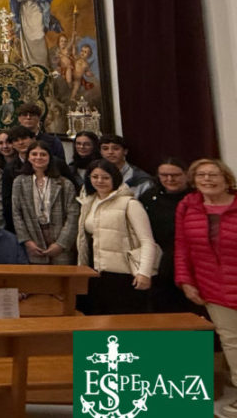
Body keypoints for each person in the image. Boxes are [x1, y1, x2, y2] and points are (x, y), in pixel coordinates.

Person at [174, 159, 237, 413]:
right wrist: (186, 281)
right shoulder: (187, 207)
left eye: (213, 175)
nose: (207, 179)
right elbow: (182, 247)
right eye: (201, 175)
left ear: (226, 179)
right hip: (212, 285)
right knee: (231, 340)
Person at [76, 159, 157, 314]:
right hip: (96, 270)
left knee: (126, 325)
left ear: (115, 178)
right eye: (95, 177)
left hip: (124, 274)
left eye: (105, 177)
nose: (100, 181)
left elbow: (147, 241)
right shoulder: (89, 202)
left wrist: (144, 273)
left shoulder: (129, 203)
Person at [11, 141, 79, 265]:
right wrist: (27, 241)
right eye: (34, 154)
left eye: (43, 154)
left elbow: (73, 216)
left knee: (61, 280)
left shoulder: (64, 184)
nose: (38, 158)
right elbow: (16, 213)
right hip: (34, 237)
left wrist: (61, 243)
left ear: (50, 157)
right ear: (28, 157)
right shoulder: (19, 182)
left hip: (59, 238)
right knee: (38, 281)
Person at [140, 158, 194, 312]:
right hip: (159, 263)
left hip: (190, 261)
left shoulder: (196, 197)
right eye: (164, 175)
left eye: (175, 175)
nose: (169, 179)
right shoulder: (149, 197)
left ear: (186, 175)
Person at [99, 134, 154, 198]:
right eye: (105, 149)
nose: (110, 152)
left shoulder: (141, 180)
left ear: (125, 151)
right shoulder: (96, 176)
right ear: (101, 152)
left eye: (116, 148)